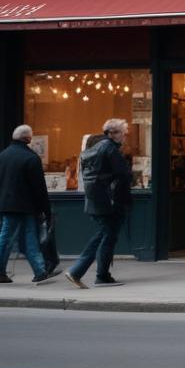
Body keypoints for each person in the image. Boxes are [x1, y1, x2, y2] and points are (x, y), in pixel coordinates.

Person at [0, 125, 59, 284]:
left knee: (12, 238)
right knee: (15, 238)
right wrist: (45, 210)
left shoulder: (1, 156)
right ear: (29, 139)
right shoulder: (31, 158)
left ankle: (39, 271)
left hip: (2, 205)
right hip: (25, 206)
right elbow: (39, 188)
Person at [67, 118, 132, 288]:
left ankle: (102, 275)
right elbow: (123, 175)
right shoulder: (110, 149)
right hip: (109, 201)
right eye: (123, 134)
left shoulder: (95, 148)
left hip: (95, 199)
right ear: (112, 133)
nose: (125, 138)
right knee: (104, 235)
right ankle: (79, 271)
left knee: (107, 235)